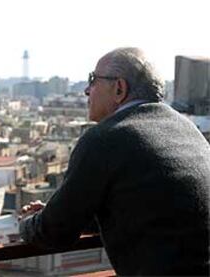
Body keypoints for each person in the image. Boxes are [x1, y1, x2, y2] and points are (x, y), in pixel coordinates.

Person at [19, 47, 210, 276]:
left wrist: (28, 222)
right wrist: (56, 211)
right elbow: (147, 209)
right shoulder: (187, 128)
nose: (87, 91)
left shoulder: (105, 138)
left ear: (119, 88)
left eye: (93, 80)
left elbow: (54, 233)